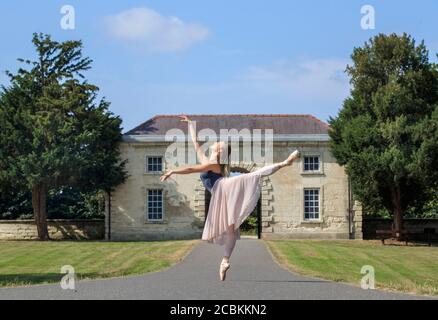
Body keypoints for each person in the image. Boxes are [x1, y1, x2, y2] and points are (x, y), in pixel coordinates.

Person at [160, 116, 300, 281]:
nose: (215, 143)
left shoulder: (214, 165)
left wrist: (172, 171)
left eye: (218, 144)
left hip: (223, 188)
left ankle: (284, 163)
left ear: (219, 152)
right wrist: (191, 124)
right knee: (231, 228)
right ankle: (225, 261)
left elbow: (191, 168)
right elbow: (195, 143)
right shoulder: (209, 161)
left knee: (255, 174)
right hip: (222, 194)